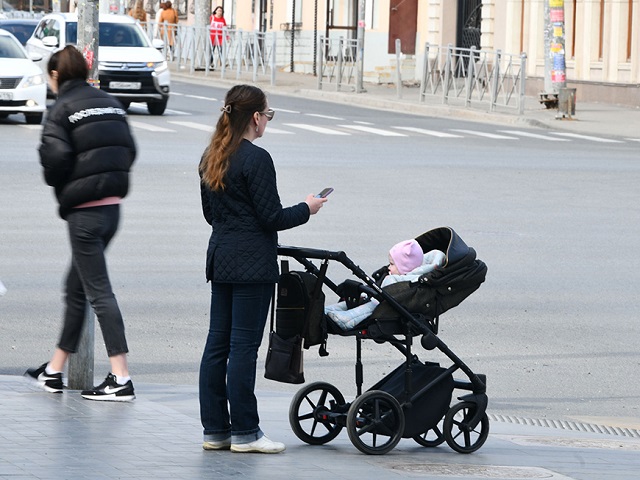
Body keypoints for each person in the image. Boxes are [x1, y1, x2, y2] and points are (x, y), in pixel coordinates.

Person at [198, 84, 327, 454]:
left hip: (221, 259)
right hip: (252, 265)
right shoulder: (256, 159)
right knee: (242, 348)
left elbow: (210, 214)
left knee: (216, 346)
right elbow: (272, 217)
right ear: (255, 118)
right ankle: (246, 433)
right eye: (267, 115)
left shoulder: (212, 155)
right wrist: (308, 207)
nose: (267, 121)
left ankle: (215, 430)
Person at [24, 45, 137, 402]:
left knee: (98, 292)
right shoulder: (109, 102)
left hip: (85, 213)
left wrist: (67, 182)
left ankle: (121, 377)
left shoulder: (60, 109)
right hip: (112, 209)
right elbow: (128, 149)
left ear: (56, 76)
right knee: (76, 287)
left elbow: (54, 158)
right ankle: (54, 370)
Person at [325, 240, 447, 331]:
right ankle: (328, 311)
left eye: (392, 264)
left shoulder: (408, 281)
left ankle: (346, 320)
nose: (388, 268)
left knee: (366, 309)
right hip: (378, 299)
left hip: (385, 307)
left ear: (404, 267)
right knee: (356, 302)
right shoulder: (400, 275)